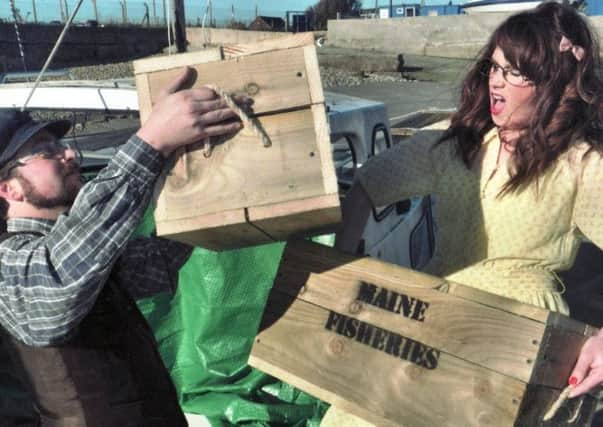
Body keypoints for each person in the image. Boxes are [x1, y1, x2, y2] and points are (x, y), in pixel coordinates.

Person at [330, 2, 602, 424]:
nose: (496, 82)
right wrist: (340, 266)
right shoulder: (457, 144)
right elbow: (367, 184)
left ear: (555, 82)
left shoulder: (580, 165)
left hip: (518, 332)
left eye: (515, 72)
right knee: (356, 409)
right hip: (439, 308)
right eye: (494, 67)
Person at [0, 67, 248, 426]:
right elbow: (57, 281)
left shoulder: (86, 252)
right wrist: (151, 141)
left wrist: (190, 163)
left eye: (60, 145)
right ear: (9, 189)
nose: (68, 154)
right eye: (45, 151)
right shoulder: (12, 262)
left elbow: (162, 258)